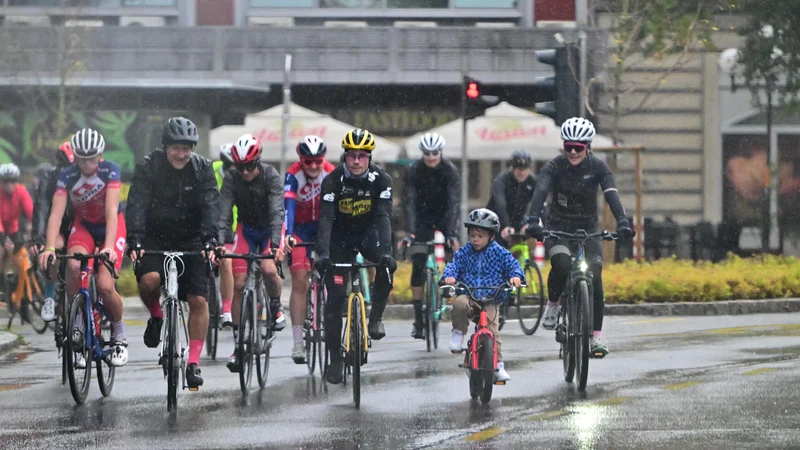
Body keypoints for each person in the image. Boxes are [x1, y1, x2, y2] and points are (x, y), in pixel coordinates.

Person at [525, 117, 635, 357]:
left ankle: (596, 338)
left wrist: (623, 222)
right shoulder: (553, 167)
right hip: (558, 227)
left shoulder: (598, 167)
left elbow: (611, 195)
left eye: (579, 148)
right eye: (568, 147)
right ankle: (553, 304)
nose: (573, 152)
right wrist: (533, 220)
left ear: (588, 147)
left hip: (587, 228)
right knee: (562, 264)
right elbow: (540, 193)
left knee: (595, 275)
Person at [126, 116, 219, 390]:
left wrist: (210, 241)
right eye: (176, 148)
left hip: (192, 239)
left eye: (187, 148)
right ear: (166, 146)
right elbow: (137, 204)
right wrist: (136, 240)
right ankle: (156, 316)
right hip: (155, 237)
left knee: (199, 300)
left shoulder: (202, 169)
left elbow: (210, 206)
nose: (181, 154)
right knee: (150, 280)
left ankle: (192, 363)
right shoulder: (148, 166)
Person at [38, 128, 128, 367]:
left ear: (100, 155)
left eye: (92, 157)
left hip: (111, 225)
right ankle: (77, 323)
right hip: (85, 226)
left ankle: (119, 337)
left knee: (105, 286)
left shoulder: (110, 170)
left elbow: (111, 211)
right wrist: (48, 247)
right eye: (81, 158)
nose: (87, 163)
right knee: (75, 266)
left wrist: (108, 246)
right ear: (74, 156)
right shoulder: (67, 176)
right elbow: (56, 215)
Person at [315, 128, 397, 385]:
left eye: (362, 156)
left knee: (385, 269)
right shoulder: (332, 181)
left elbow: (384, 216)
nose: (357, 161)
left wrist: (386, 252)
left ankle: (375, 319)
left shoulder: (381, 180)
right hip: (339, 238)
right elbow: (326, 219)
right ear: (345, 157)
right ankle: (335, 359)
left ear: (369, 157)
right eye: (352, 156)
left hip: (367, 233)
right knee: (336, 296)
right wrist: (324, 254)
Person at [217, 133, 285, 373]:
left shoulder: (271, 176)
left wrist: (276, 245)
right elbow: (224, 213)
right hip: (246, 229)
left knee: (267, 268)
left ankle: (276, 305)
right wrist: (220, 244)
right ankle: (238, 346)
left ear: (258, 162)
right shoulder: (232, 178)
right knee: (238, 284)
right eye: (240, 167)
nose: (245, 172)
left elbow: (278, 211)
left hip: (269, 229)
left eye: (249, 167)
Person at [442, 208, 523, 383]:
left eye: (480, 236)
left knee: (493, 332)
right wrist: (450, 276)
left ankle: (498, 366)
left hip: (491, 299)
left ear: (491, 236)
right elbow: (453, 265)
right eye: (472, 235)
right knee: (459, 304)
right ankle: (458, 334)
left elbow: (513, 265)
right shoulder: (464, 252)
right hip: (470, 295)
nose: (475, 239)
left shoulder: (499, 253)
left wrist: (516, 276)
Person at [398, 132, 460, 340]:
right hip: (421, 216)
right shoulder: (413, 171)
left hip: (444, 214)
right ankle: (418, 320)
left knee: (453, 247)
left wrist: (450, 233)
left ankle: (449, 285)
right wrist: (410, 232)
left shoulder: (450, 170)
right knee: (418, 262)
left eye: (435, 153)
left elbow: (453, 203)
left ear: (440, 153)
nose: (431, 157)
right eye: (427, 154)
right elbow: (408, 201)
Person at [282, 135, 336, 364]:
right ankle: (297, 343)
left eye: (318, 161)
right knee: (300, 279)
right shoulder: (293, 174)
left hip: (324, 229)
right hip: (300, 232)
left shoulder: (331, 173)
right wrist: (288, 235)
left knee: (335, 277)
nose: (313, 166)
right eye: (308, 162)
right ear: (301, 160)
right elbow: (289, 208)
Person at [32, 142, 76, 322]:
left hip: (77, 226)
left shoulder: (84, 177)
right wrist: (38, 238)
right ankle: (49, 296)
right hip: (56, 225)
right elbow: (41, 208)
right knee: (52, 250)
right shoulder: (50, 179)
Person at [486, 150, 539, 247]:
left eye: (525, 169)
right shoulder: (502, 180)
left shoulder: (532, 181)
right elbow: (500, 204)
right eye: (519, 169)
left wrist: (530, 223)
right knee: (498, 248)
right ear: (513, 168)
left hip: (517, 219)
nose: (522, 173)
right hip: (495, 220)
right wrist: (505, 225)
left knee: (530, 240)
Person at [213, 143, 237, 328]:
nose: (234, 170)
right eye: (230, 166)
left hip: (235, 228)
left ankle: (227, 308)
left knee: (228, 263)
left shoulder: (243, 176)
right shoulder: (211, 170)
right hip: (213, 224)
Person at [0, 163, 33, 298]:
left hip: (13, 227)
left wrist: (36, 229)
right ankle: (1, 282)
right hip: (1, 228)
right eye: (6, 181)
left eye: (13, 181)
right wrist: (2, 237)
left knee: (23, 253)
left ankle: (22, 285)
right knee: (2, 252)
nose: (9, 185)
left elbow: (31, 212)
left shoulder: (21, 191)